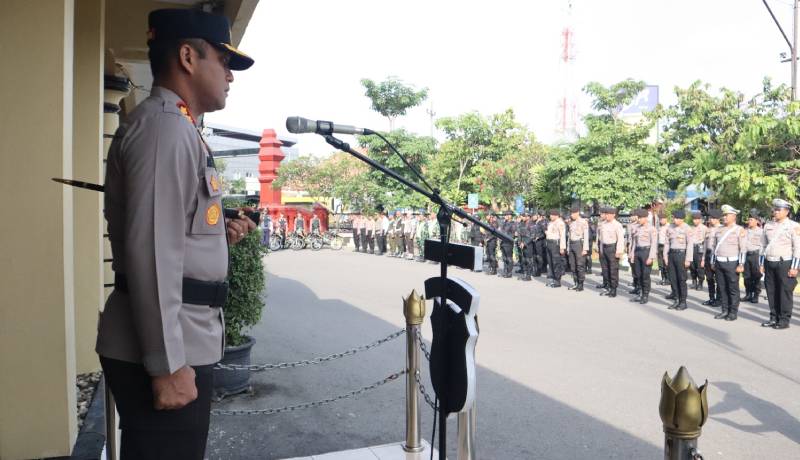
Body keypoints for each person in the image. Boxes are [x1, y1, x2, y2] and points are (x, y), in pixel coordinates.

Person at [97, 9, 256, 460]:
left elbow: (170, 232)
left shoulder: (178, 126)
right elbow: (150, 251)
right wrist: (167, 366)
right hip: (167, 347)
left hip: (180, 337)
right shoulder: (166, 129)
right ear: (188, 56)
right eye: (224, 61)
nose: (230, 75)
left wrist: (216, 235)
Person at [759, 198, 800, 329]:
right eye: (774, 209)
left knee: (784, 292)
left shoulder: (794, 226)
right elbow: (763, 245)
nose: (775, 212)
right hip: (769, 262)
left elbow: (798, 248)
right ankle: (773, 317)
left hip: (785, 263)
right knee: (771, 291)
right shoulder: (768, 225)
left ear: (787, 211)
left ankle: (784, 320)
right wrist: (761, 263)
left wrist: (794, 267)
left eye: (778, 209)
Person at [710, 205, 746, 321]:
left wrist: (741, 264)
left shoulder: (739, 230)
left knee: (732, 289)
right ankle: (724, 310)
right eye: (723, 215)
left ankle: (733, 312)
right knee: (722, 288)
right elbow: (714, 247)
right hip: (719, 263)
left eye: (726, 215)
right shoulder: (719, 229)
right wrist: (712, 262)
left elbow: (743, 249)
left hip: (732, 263)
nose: (724, 217)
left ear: (734, 216)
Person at [663, 209, 694, 310]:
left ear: (682, 219)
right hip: (671, 254)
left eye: (677, 218)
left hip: (682, 255)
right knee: (673, 279)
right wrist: (665, 256)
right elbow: (667, 243)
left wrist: (688, 259)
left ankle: (683, 302)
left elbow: (690, 244)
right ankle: (676, 299)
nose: (674, 220)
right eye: (674, 218)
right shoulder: (670, 227)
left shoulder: (687, 228)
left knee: (681, 279)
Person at [628, 209, 658, 304]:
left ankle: (645, 295)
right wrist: (632, 254)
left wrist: (651, 257)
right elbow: (634, 243)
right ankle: (640, 293)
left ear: (645, 218)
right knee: (638, 274)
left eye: (640, 218)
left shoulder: (651, 229)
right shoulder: (637, 228)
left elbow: (654, 244)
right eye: (638, 217)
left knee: (645, 275)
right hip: (637, 252)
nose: (639, 219)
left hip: (646, 252)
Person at [597, 207, 625, 297]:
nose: (607, 216)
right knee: (605, 269)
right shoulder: (603, 224)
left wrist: (619, 251)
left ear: (613, 215)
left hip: (613, 248)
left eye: (609, 214)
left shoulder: (617, 225)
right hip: (604, 248)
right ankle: (608, 287)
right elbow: (601, 239)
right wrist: (600, 249)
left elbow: (620, 239)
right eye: (606, 214)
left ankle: (613, 290)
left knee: (613, 270)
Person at [701, 209, 723, 306]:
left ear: (717, 219)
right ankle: (711, 298)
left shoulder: (722, 229)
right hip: (708, 255)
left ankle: (719, 299)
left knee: (719, 279)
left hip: (717, 256)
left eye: (712, 218)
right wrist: (703, 258)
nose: (710, 220)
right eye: (710, 218)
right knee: (709, 279)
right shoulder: (708, 229)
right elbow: (705, 245)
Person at [742, 209, 763, 303]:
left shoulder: (761, 232)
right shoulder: (745, 231)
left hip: (756, 256)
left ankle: (756, 295)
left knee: (756, 276)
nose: (749, 221)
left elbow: (763, 245)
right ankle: (748, 294)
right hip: (746, 255)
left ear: (757, 221)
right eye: (749, 219)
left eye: (751, 220)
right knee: (746, 276)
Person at [567, 206, 589, 291]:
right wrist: (568, 248)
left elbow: (586, 236)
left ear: (577, 213)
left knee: (580, 265)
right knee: (572, 265)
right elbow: (569, 237)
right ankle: (575, 283)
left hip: (579, 244)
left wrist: (585, 249)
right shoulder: (571, 223)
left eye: (572, 213)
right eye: (571, 213)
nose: (571, 215)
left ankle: (581, 284)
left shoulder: (583, 222)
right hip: (572, 244)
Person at [545, 209, 567, 287]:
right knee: (550, 262)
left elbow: (562, 236)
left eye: (552, 215)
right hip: (549, 243)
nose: (550, 216)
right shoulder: (551, 222)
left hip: (556, 244)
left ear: (556, 215)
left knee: (556, 262)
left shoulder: (560, 223)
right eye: (550, 215)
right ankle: (553, 279)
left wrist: (562, 247)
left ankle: (557, 281)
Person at [657, 215, 670, 286]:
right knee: (661, 263)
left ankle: (668, 279)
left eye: (663, 219)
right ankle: (663, 278)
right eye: (660, 219)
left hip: (666, 247)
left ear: (666, 219)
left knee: (666, 263)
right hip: (660, 246)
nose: (661, 221)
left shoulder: (669, 227)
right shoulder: (659, 227)